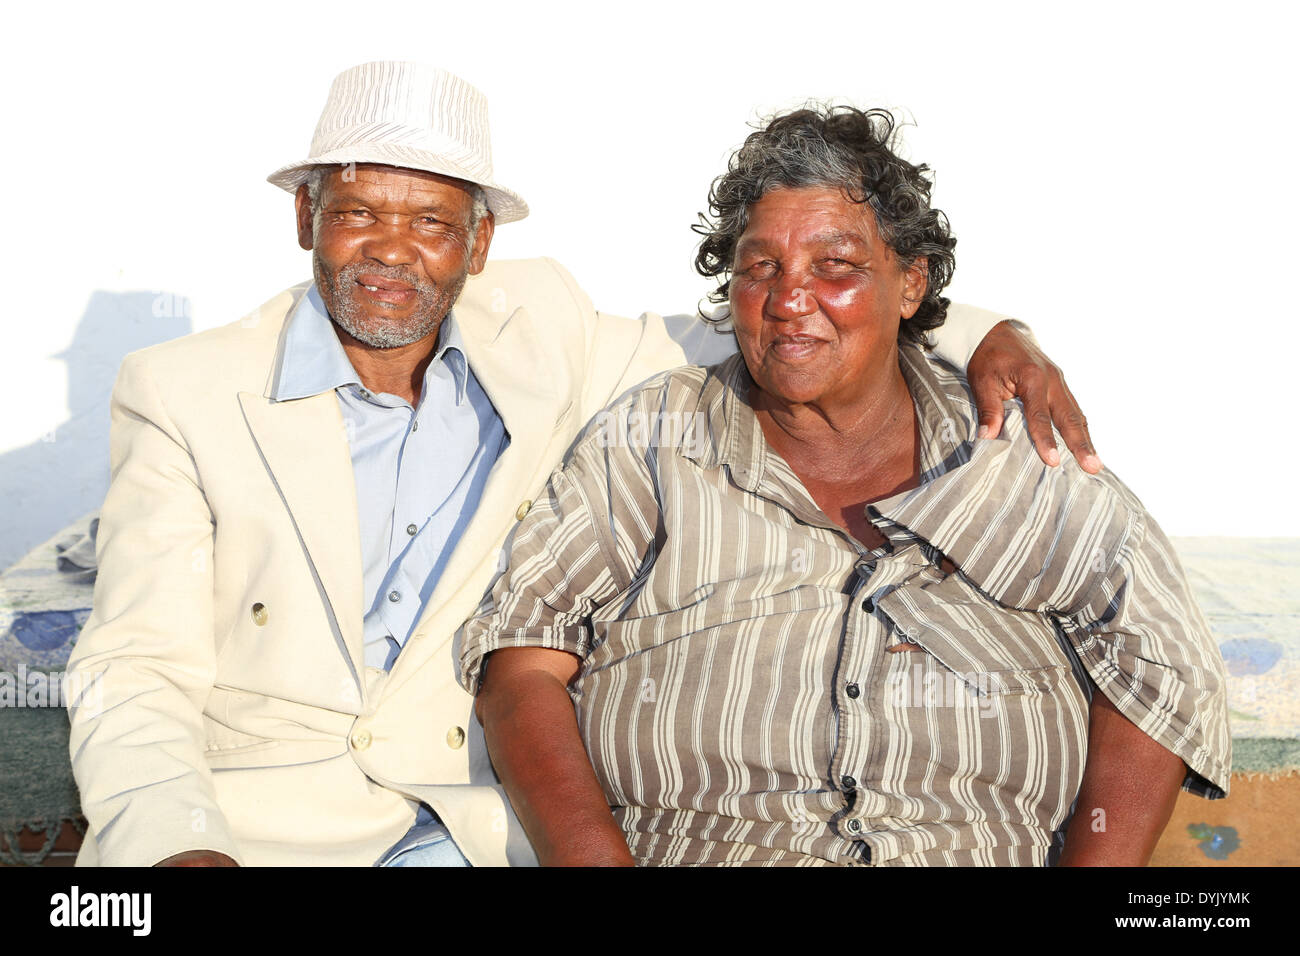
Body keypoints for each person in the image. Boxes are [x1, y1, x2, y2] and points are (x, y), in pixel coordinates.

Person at [66, 64, 1100, 867]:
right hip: (260, 828)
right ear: (306, 221)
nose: (390, 251)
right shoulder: (183, 390)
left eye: (428, 221)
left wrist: (992, 330)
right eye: (357, 214)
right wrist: (172, 844)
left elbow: (777, 320)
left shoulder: (545, 330)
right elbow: (134, 666)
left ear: (475, 244)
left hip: (483, 824)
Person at [463, 105, 1230, 866]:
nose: (792, 298)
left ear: (910, 284)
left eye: (836, 267)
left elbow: (1158, 661)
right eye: (761, 267)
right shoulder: (656, 438)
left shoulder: (1010, 445)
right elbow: (522, 656)